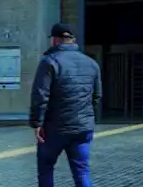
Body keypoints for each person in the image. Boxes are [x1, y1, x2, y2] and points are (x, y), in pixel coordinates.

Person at [29, 23, 101, 187]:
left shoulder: (49, 62)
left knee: (46, 169)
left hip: (54, 128)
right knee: (82, 171)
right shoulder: (91, 63)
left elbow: (40, 96)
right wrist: (85, 115)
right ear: (73, 40)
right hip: (83, 127)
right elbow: (97, 96)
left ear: (54, 40)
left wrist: (36, 123)